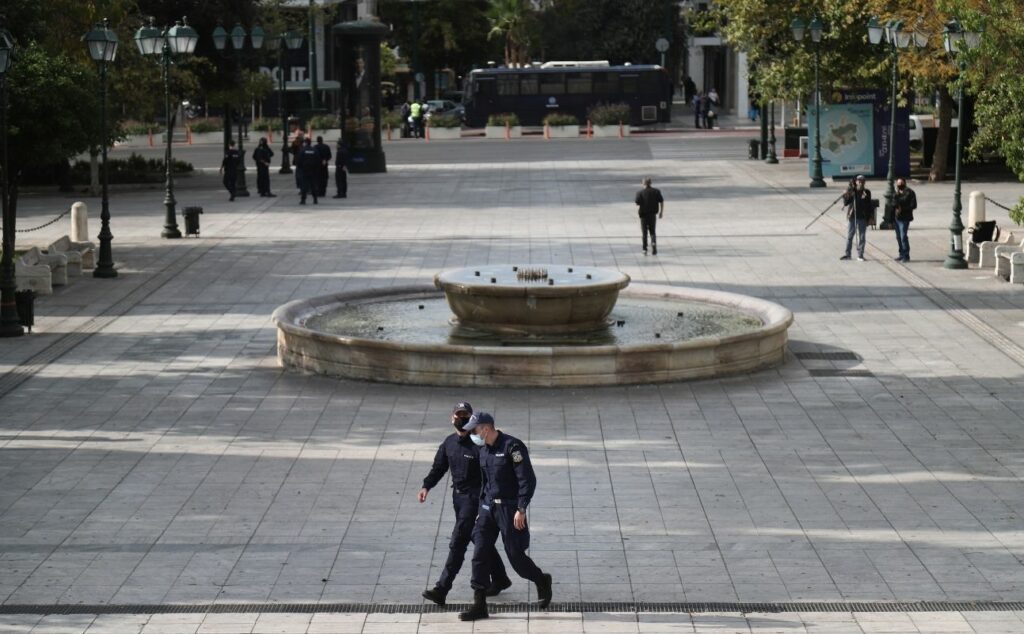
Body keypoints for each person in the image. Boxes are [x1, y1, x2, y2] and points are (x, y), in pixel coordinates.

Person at [458, 412, 552, 622]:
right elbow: (485, 482)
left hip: (510, 510)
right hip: (488, 509)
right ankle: (479, 604)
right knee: (480, 552)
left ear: (486, 428)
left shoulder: (512, 447)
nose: (472, 433)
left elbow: (527, 479)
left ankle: (541, 579)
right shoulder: (484, 451)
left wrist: (521, 508)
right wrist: (481, 509)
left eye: (474, 430)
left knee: (516, 557)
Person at [419, 403, 511, 607]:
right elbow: (439, 467)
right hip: (458, 499)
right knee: (478, 538)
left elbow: (491, 474)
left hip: (475, 499)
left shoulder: (478, 445)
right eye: (458, 415)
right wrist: (426, 486)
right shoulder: (449, 443)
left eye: (466, 415)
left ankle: (442, 589)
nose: (461, 419)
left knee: (458, 542)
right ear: (452, 418)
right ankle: (500, 579)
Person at [841, 175, 873, 261]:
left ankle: (860, 254)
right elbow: (846, 203)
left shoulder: (866, 192)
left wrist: (870, 217)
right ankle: (848, 254)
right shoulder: (852, 191)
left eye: (862, 181)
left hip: (862, 217)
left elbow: (869, 205)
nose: (860, 182)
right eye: (859, 181)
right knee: (850, 236)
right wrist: (845, 195)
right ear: (856, 182)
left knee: (862, 236)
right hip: (852, 216)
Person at [635, 177, 665, 255]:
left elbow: (637, 202)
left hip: (643, 215)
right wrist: (661, 212)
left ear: (643, 183)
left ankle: (644, 249)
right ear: (650, 183)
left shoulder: (640, 193)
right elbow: (661, 201)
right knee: (652, 231)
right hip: (653, 215)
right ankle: (653, 242)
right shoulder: (656, 191)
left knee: (644, 233)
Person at [893, 177, 917, 262]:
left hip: (905, 218)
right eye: (898, 184)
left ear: (904, 183)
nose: (899, 185)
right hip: (896, 218)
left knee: (903, 237)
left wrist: (902, 208)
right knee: (898, 237)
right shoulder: (896, 193)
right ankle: (901, 254)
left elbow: (913, 205)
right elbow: (893, 203)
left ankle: (906, 256)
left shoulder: (910, 193)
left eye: (901, 183)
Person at [296, 138, 320, 205]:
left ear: (305, 143)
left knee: (304, 186)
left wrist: (300, 168)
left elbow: (298, 161)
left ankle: (303, 200)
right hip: (313, 171)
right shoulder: (314, 150)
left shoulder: (302, 150)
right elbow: (318, 160)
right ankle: (315, 199)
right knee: (313, 185)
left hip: (304, 170)